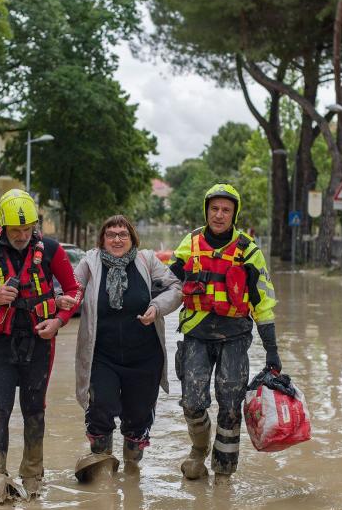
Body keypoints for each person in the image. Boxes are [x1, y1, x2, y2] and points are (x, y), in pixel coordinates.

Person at [0, 189, 80, 495]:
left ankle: (33, 479)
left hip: (40, 341)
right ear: (3, 226)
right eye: (16, 230)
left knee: (34, 410)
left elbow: (75, 291)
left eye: (27, 229)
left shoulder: (51, 250)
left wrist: (59, 322)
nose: (23, 235)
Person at [169, 183, 280, 479]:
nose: (219, 215)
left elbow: (263, 304)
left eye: (226, 210)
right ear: (206, 211)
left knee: (231, 405)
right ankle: (199, 450)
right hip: (196, 334)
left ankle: (223, 475)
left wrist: (272, 351)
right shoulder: (189, 244)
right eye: (214, 209)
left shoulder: (249, 251)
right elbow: (167, 284)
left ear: (234, 214)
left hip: (235, 336)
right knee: (192, 403)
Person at [61, 215, 182, 479]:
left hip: (144, 357)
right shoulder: (89, 263)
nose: (117, 239)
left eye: (122, 234)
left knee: (138, 418)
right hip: (101, 355)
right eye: (111, 234)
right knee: (100, 406)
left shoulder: (147, 261)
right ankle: (102, 469)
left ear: (132, 238)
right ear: (102, 240)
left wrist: (156, 307)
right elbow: (71, 288)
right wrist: (62, 302)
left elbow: (176, 288)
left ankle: (132, 473)